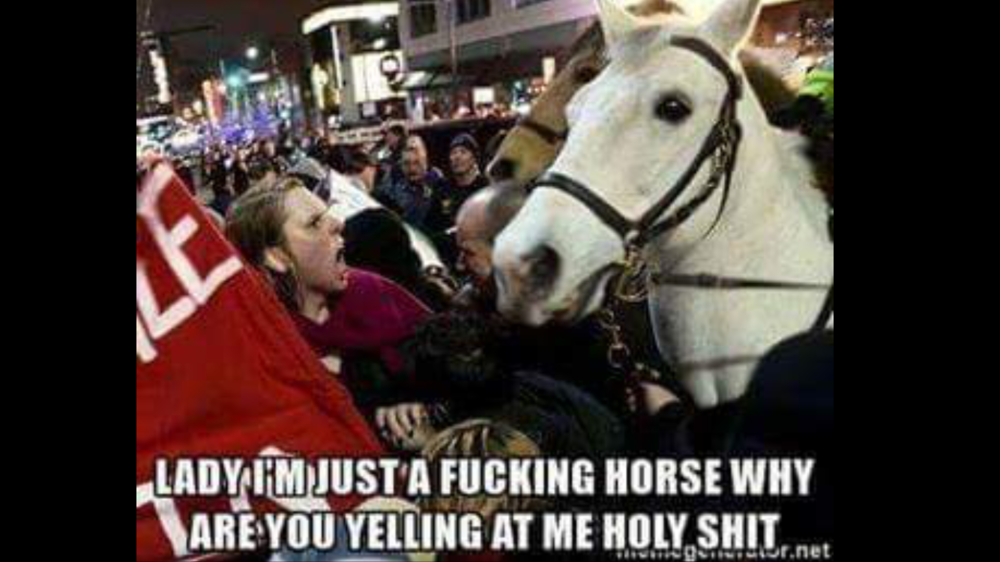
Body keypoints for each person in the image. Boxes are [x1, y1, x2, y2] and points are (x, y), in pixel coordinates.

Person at [225, 178, 432, 418]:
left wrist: (430, 412)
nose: (338, 223)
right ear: (276, 257)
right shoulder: (270, 358)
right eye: (314, 223)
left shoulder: (371, 291)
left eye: (328, 213)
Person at [377, 146, 450, 235]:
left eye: (417, 163)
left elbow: (446, 217)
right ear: (401, 166)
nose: (412, 168)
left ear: (425, 164)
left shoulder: (440, 188)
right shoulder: (395, 190)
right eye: (406, 163)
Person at [440, 134, 490, 227]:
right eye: (453, 152)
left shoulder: (486, 188)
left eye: (463, 152)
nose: (457, 157)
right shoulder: (443, 188)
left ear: (474, 158)